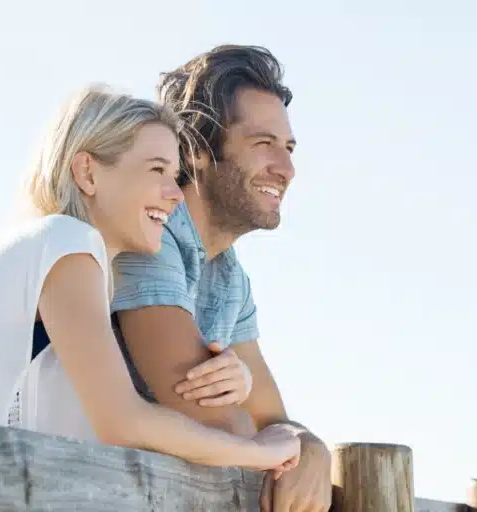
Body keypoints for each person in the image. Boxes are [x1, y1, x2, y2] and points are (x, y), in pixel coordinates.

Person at [0, 84, 300, 474]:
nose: (176, 194)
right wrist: (263, 453)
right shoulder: (67, 243)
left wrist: (239, 378)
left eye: (175, 173)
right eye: (156, 170)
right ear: (87, 173)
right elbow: (123, 421)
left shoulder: (83, 264)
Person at [110, 45, 333, 511]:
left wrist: (311, 447)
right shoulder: (151, 231)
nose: (286, 169)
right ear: (196, 149)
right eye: (262, 143)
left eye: (288, 148)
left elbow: (272, 419)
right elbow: (215, 418)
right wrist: (277, 440)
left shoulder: (230, 276)